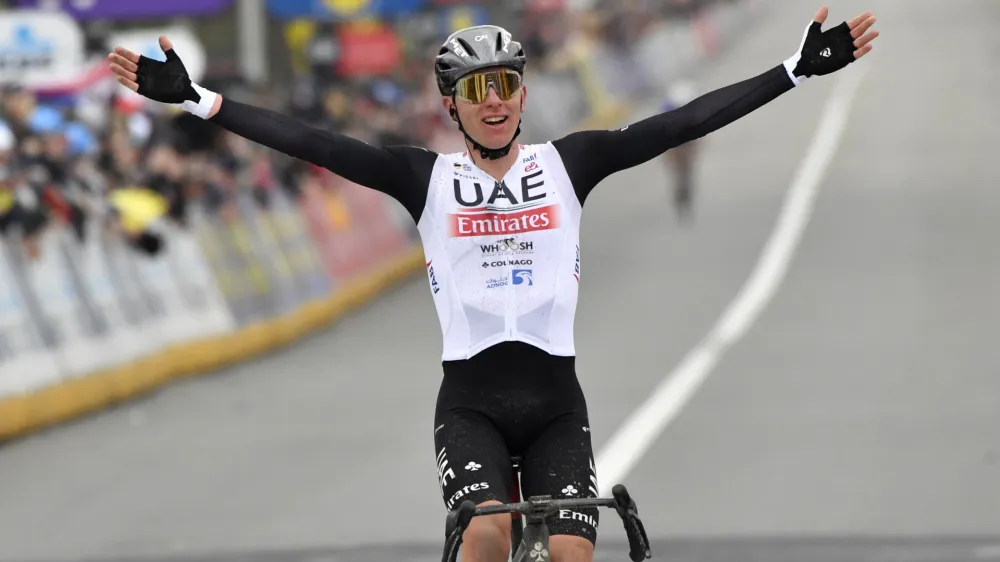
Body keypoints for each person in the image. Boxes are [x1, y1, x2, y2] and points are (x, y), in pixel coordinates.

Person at [107, 6, 878, 562]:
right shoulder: (424, 177)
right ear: (452, 104)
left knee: (575, 554)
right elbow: (314, 141)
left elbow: (679, 126)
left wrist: (792, 72)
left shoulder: (568, 164)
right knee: (486, 534)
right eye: (478, 90)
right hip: (471, 403)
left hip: (555, 405)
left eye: (507, 82)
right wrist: (197, 100)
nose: (497, 100)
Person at [659, 78, 701, 220]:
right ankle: (681, 198)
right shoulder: (668, 109)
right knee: (680, 173)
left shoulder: (691, 108)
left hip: (685, 139)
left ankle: (685, 197)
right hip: (672, 141)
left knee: (686, 173)